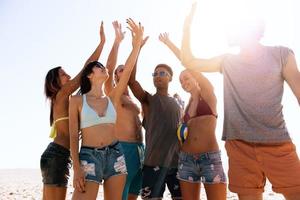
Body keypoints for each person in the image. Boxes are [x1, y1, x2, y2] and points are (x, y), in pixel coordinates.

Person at [181, 3, 300, 200]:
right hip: (239, 148)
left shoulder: (282, 54)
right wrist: (187, 25)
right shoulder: (226, 61)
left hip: (277, 144)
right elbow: (189, 61)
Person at [69, 19, 144, 200]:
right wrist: (77, 168)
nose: (104, 69)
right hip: (89, 155)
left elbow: (126, 73)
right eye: (99, 67)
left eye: (104, 67)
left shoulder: (112, 98)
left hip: (116, 155)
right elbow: (73, 136)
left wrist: (137, 44)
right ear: (89, 75)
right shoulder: (77, 100)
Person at [40, 22, 105, 200]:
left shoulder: (68, 100)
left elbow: (85, 77)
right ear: (54, 82)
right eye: (63, 75)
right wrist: (102, 43)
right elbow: (85, 70)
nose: (68, 76)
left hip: (57, 156)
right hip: (57, 156)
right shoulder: (61, 95)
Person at [159, 32, 227, 200]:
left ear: (196, 78)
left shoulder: (209, 95)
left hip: (209, 158)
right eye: (181, 81)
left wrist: (169, 44)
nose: (183, 82)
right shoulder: (187, 105)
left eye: (186, 77)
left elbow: (189, 63)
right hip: (186, 161)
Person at [128, 40, 182, 200]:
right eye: (155, 74)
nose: (158, 76)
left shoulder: (178, 103)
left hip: (177, 165)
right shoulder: (148, 100)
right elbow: (131, 81)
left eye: (162, 73)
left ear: (170, 78)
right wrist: (137, 48)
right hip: (153, 164)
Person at [103, 20, 148, 200]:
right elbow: (109, 67)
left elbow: (132, 72)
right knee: (119, 194)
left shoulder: (132, 98)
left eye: (125, 69)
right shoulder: (113, 93)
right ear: (115, 77)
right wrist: (117, 42)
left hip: (140, 150)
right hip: (123, 148)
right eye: (120, 70)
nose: (124, 71)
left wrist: (138, 47)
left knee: (132, 194)